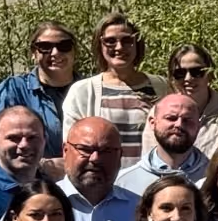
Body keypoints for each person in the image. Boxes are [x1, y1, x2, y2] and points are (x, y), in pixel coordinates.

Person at [60, 13, 160, 166]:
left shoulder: (160, 86)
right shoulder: (82, 92)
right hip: (102, 182)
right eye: (110, 41)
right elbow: (72, 147)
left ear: (137, 43)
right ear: (99, 45)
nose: (119, 47)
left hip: (151, 182)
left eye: (127, 40)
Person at [50, 116, 137, 221]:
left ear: (120, 155)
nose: (95, 158)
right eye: (85, 149)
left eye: (106, 151)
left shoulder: (139, 210)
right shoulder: (36, 207)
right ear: (65, 151)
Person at [0, 21, 78, 154]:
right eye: (45, 47)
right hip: (28, 174)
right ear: (34, 53)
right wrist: (39, 166)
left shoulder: (89, 89)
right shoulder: (12, 90)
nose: (55, 53)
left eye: (64, 46)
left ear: (74, 51)